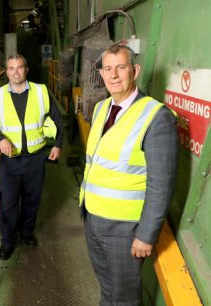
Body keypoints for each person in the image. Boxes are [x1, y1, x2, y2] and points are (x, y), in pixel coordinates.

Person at [80, 44, 178, 305]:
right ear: (101, 74)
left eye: (120, 68)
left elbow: (162, 183)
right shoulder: (101, 108)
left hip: (124, 229)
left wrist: (146, 234)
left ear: (134, 70)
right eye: (107, 69)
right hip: (94, 218)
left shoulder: (155, 117)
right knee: (107, 289)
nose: (113, 75)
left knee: (123, 297)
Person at [0, 53, 63, 260]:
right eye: (11, 68)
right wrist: (0, 139)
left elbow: (57, 119)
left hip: (36, 160)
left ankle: (27, 234)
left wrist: (58, 144)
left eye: (20, 67)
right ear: (7, 72)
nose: (16, 71)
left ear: (26, 70)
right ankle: (8, 242)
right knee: (9, 203)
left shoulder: (41, 92)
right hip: (10, 163)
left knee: (31, 201)